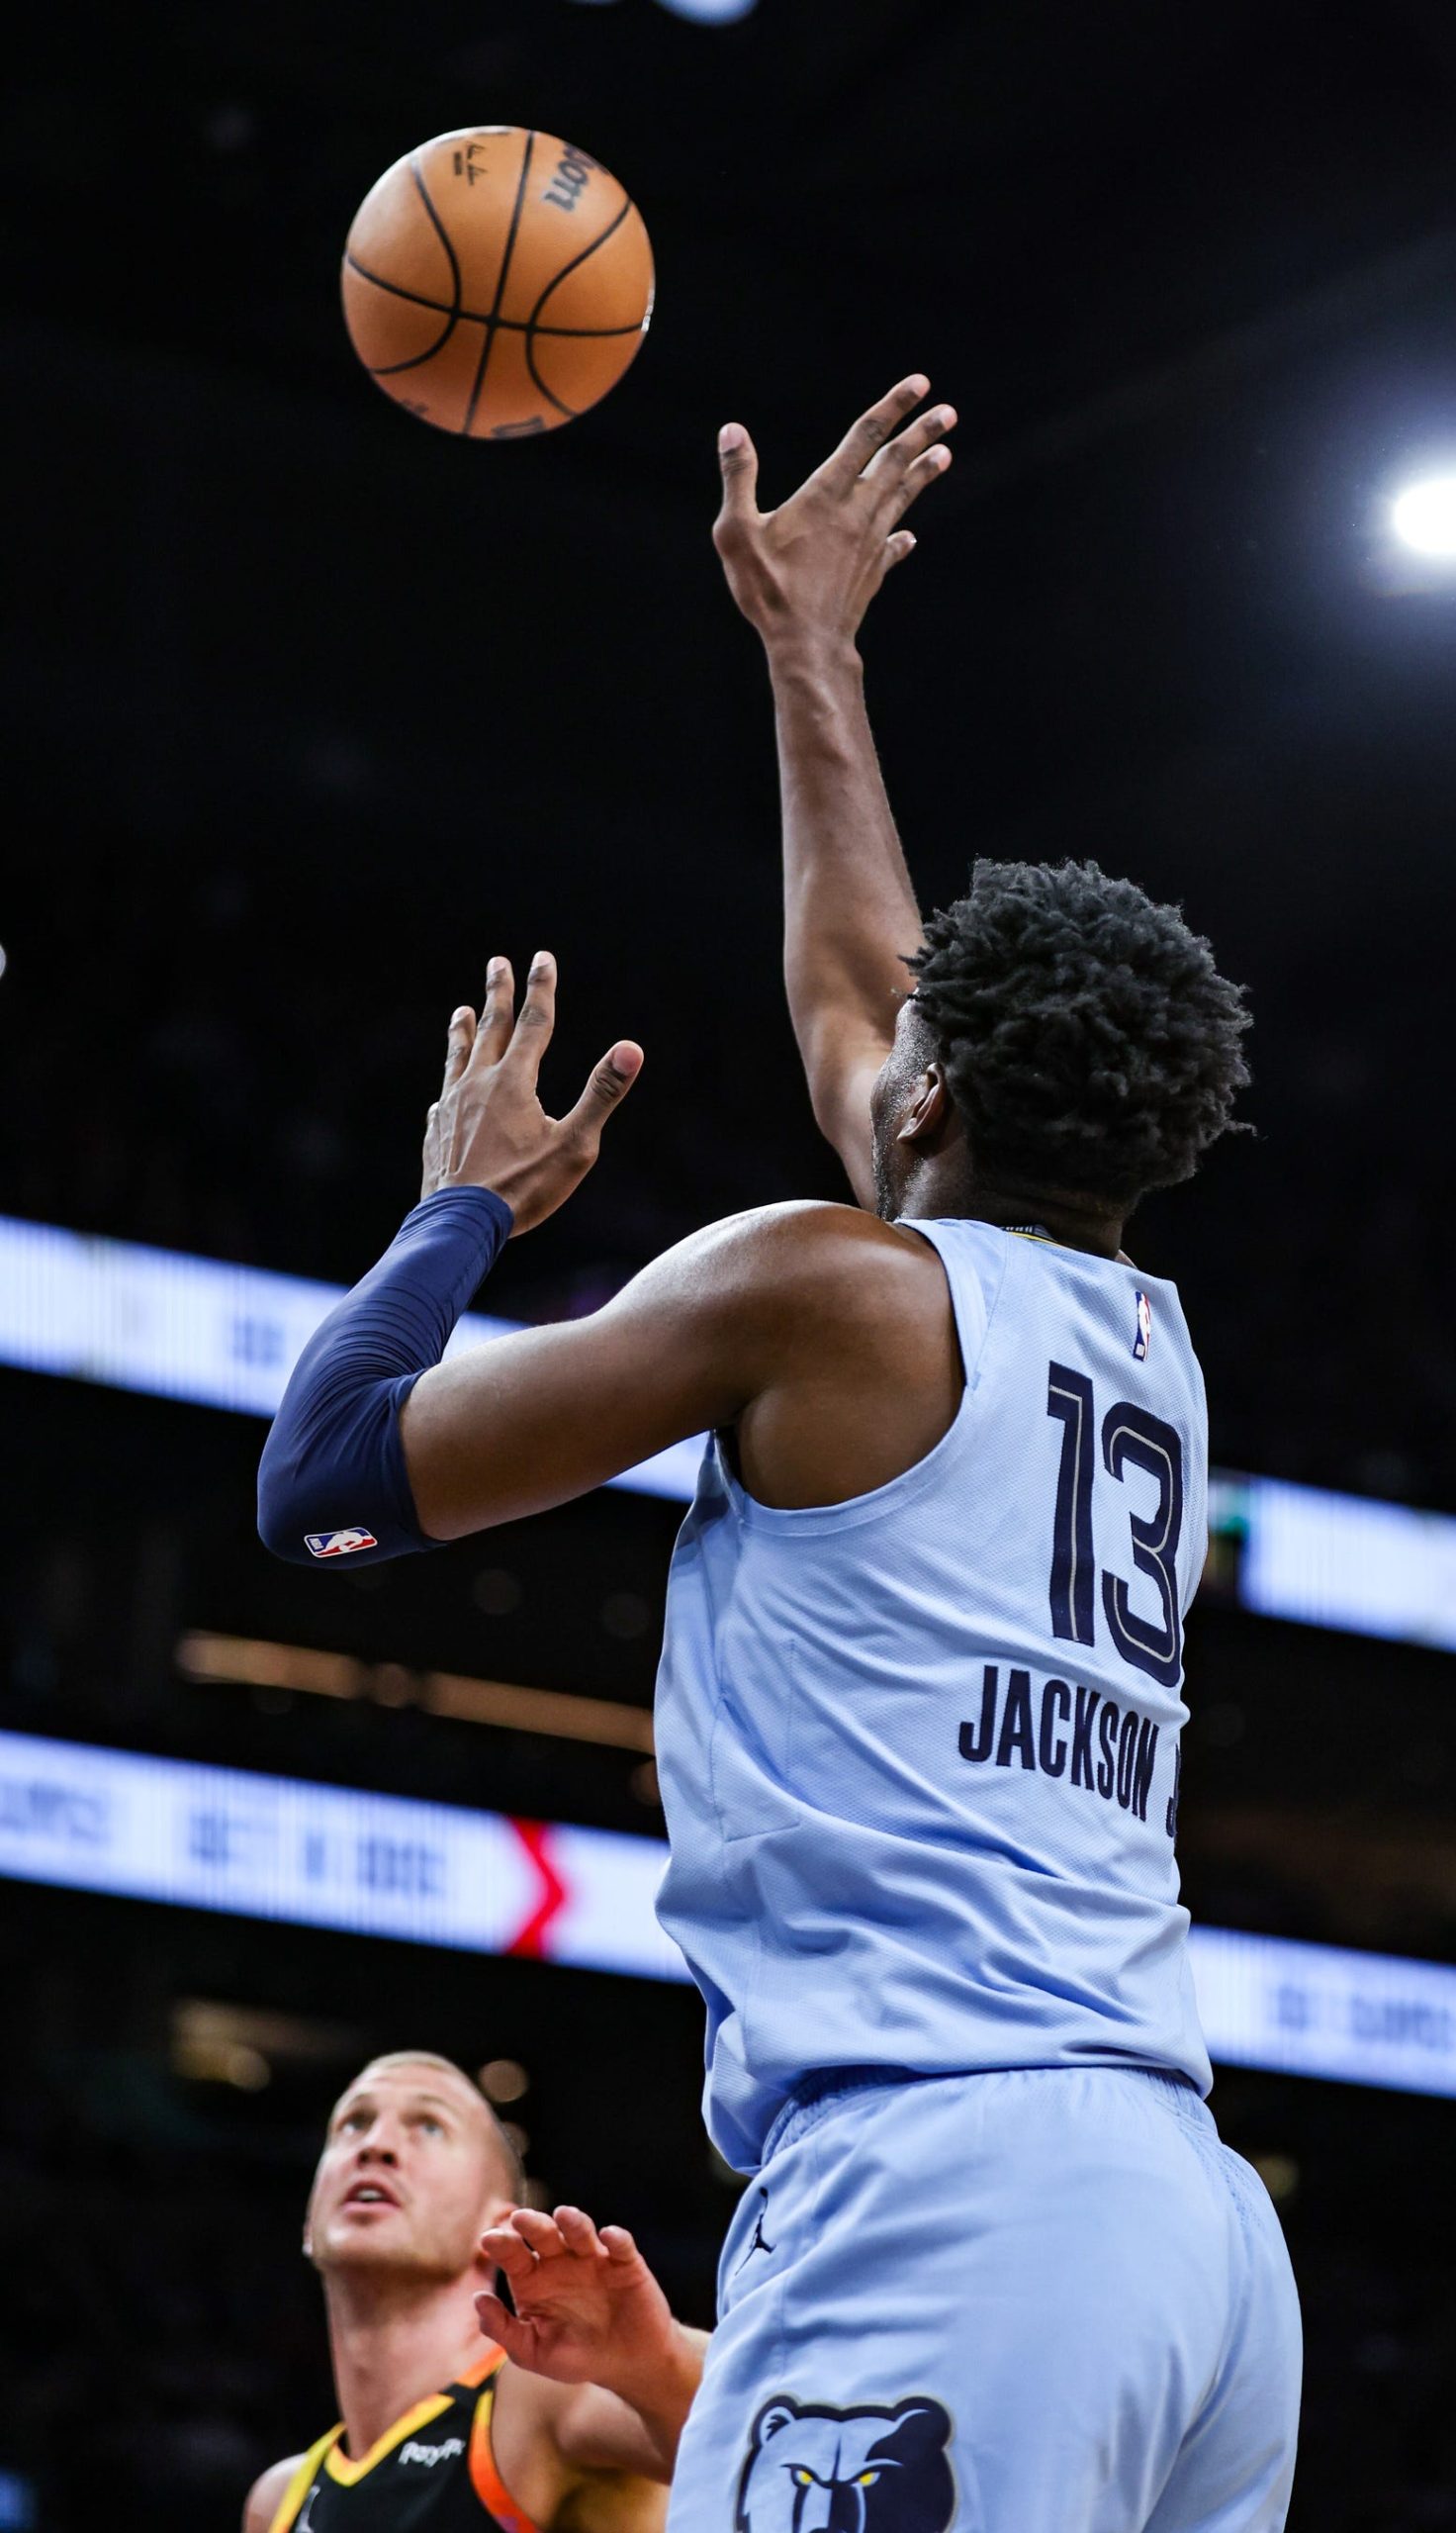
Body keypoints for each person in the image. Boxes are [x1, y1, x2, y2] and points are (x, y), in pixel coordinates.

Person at [258, 375, 1301, 2529]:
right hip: (1187, 2227)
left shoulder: (821, 1285)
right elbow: (857, 995)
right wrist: (806, 653)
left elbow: (327, 1479)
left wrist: (456, 1202)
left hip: (941, 2183)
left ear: (933, 1109)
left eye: (912, 1052)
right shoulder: (1141, 1344)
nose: (877, 1038)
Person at [242, 2050, 705, 2533]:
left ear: (496, 2225)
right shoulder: (277, 2502)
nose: (376, 2145)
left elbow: (766, 2425)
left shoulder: (542, 2395)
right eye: (354, 2124)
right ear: (309, 2223)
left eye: (430, 2127)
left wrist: (656, 2358)